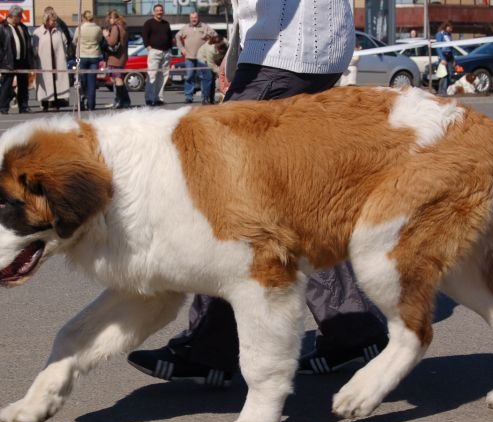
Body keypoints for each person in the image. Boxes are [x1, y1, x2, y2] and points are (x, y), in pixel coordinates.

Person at [128, 0, 389, 387]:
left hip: (289, 51)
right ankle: (352, 328)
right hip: (300, 49)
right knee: (287, 203)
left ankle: (208, 351)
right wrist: (236, 60)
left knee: (227, 199)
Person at [0, 5, 33, 114]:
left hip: (22, 61)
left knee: (23, 85)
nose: (21, 18)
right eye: (19, 16)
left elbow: (28, 44)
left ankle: (23, 106)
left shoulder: (23, 27)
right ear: (12, 16)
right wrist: (3, 59)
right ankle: (3, 107)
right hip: (8, 62)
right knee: (7, 85)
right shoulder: (0, 27)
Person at [33, 8, 71, 111]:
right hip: (44, 63)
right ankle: (45, 103)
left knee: (57, 82)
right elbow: (35, 48)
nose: (55, 22)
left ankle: (57, 103)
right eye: (52, 20)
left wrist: (64, 54)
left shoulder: (59, 31)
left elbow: (65, 43)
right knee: (45, 82)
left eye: (55, 20)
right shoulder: (38, 32)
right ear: (46, 20)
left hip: (57, 62)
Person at [176, 11, 215, 104]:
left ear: (198, 18)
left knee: (204, 77)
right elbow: (177, 37)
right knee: (189, 77)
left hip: (202, 58)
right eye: (192, 18)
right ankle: (188, 97)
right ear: (190, 18)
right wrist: (182, 49)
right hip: (189, 57)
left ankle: (205, 97)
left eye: (195, 17)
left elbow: (214, 35)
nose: (194, 19)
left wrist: (207, 36)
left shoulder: (205, 27)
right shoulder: (185, 28)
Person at [141, 4, 172, 106]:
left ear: (163, 12)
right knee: (152, 75)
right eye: (157, 10)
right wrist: (148, 47)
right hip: (154, 52)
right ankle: (149, 99)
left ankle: (159, 98)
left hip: (166, 53)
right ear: (154, 12)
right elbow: (145, 36)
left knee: (163, 76)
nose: (159, 12)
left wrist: (169, 49)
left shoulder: (166, 23)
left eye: (161, 10)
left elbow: (170, 37)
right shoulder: (148, 23)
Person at [73, 10, 103, 111]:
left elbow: (74, 40)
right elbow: (99, 40)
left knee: (82, 80)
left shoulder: (79, 29)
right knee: (92, 82)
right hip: (94, 55)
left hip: (82, 55)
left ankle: (83, 98)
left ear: (83, 18)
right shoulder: (98, 29)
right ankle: (91, 104)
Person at [103, 10, 130, 109]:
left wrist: (106, 36)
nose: (109, 21)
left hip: (115, 57)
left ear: (113, 18)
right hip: (122, 56)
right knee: (119, 78)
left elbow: (112, 42)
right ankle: (126, 101)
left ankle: (120, 101)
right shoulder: (123, 27)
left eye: (109, 18)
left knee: (117, 79)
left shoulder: (115, 27)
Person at [195, 34, 226, 104]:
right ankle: (205, 99)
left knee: (213, 80)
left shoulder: (225, 42)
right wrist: (219, 72)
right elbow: (210, 64)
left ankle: (211, 99)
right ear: (215, 44)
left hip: (216, 59)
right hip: (204, 60)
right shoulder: (210, 49)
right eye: (219, 46)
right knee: (208, 78)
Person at [436, 21, 454, 96]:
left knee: (450, 73)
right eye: (449, 27)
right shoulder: (440, 34)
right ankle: (441, 91)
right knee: (444, 74)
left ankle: (447, 90)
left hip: (449, 55)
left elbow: (451, 47)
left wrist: (453, 59)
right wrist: (442, 58)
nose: (450, 29)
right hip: (443, 55)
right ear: (446, 26)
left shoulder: (449, 35)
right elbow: (438, 47)